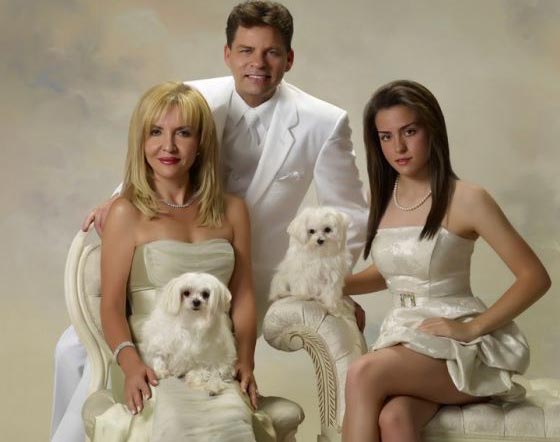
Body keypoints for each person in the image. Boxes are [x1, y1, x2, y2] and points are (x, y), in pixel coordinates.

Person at [52, 2, 368, 440]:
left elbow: (349, 213)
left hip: (244, 273)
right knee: (74, 350)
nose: (257, 63)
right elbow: (159, 144)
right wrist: (119, 199)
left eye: (272, 52)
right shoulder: (193, 99)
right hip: (159, 280)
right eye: (246, 50)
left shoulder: (323, 121)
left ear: (289, 58)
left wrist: (331, 284)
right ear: (227, 53)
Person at [342, 80, 551, 442]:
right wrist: (335, 285)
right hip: (405, 335)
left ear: (432, 129)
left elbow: (535, 277)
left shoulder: (467, 198)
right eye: (386, 136)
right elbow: (394, 272)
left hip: (458, 350)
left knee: (363, 373)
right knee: (395, 418)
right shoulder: (379, 196)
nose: (398, 147)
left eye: (409, 131)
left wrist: (472, 328)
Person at [99, 81, 257, 441]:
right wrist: (131, 366)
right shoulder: (126, 213)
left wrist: (245, 360)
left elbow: (244, 296)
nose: (168, 146)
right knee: (174, 420)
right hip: (154, 363)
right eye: (155, 132)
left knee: (231, 422)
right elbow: (111, 306)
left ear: (200, 143)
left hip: (212, 360)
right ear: (141, 141)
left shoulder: (234, 210)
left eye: (182, 133)